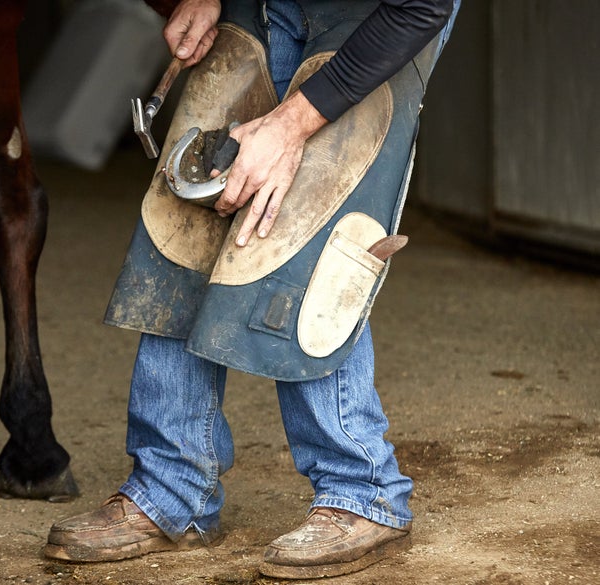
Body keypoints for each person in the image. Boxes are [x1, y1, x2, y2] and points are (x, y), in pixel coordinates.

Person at [46, 0, 459, 579]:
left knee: (309, 225)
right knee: (186, 213)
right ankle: (171, 487)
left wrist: (291, 126)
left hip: (380, 11)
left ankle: (362, 492)